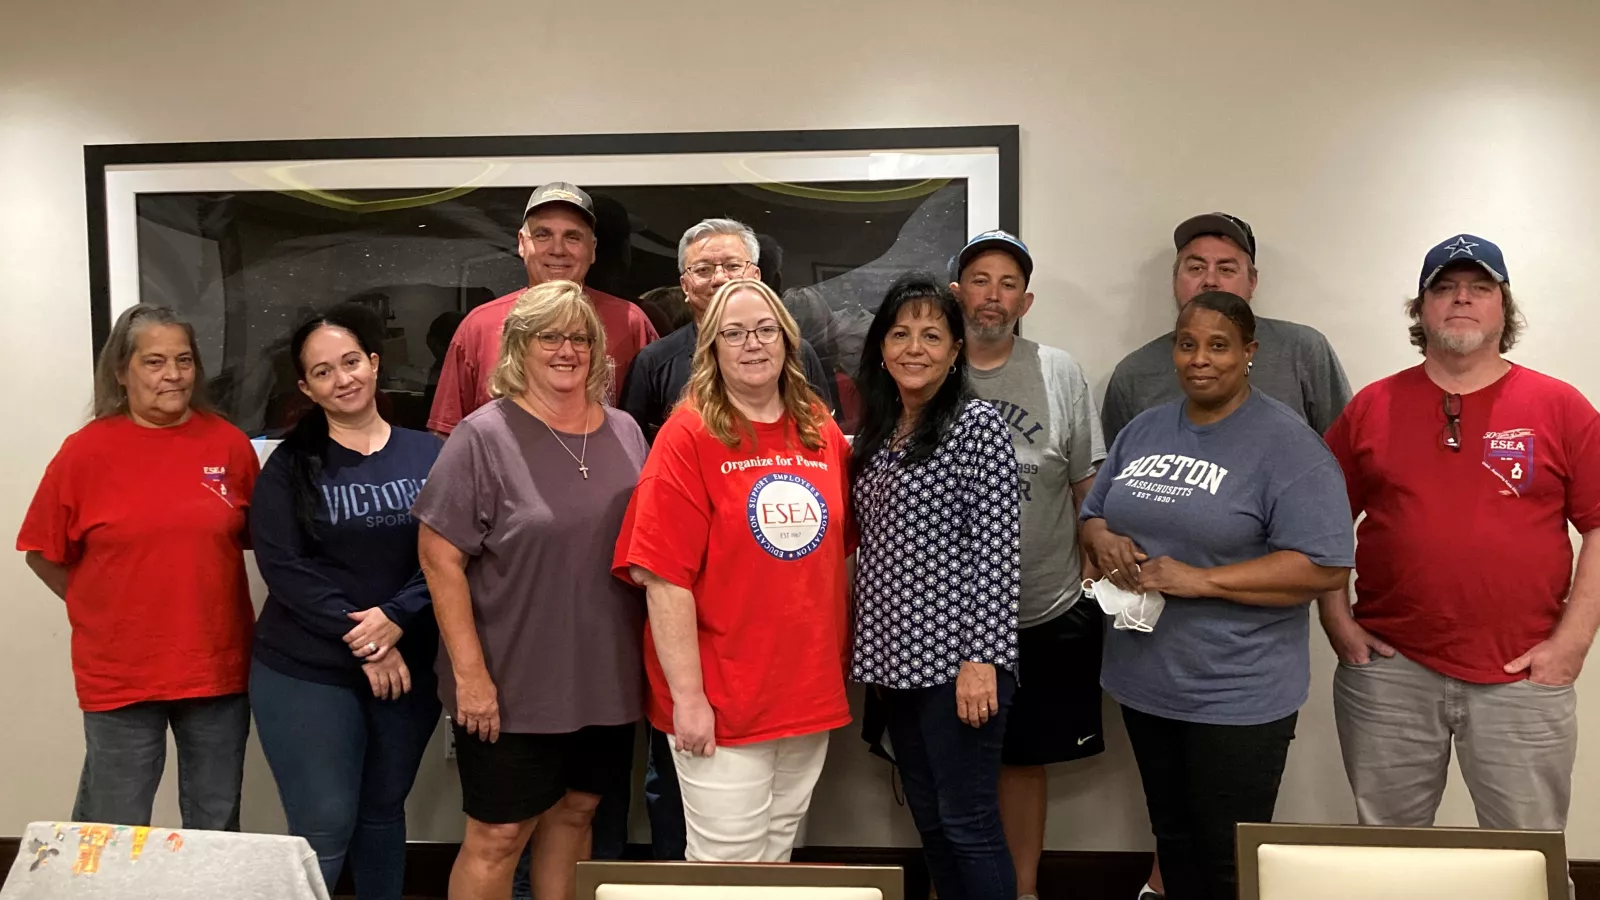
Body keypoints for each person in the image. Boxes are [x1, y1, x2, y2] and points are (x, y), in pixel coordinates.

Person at [1099, 213, 1351, 900]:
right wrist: (1101, 537)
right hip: (1148, 679)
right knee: (1174, 844)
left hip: (1235, 691)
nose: (1200, 359)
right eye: (1187, 344)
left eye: (1218, 346)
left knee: (1225, 861)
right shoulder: (1147, 423)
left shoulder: (1287, 442)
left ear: (1249, 352)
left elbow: (1325, 565)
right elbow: (1095, 509)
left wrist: (1201, 581)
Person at [1321, 235, 1600, 842]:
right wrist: (1337, 621)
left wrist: (1572, 644)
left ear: (1505, 307)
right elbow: (1319, 525)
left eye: (1480, 287)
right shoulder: (1372, 406)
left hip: (1523, 674)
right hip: (1390, 672)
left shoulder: (1560, 406)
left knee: (1528, 854)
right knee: (1385, 853)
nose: (1461, 299)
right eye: (1443, 288)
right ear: (1421, 312)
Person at [413, 281, 649, 900]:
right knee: (498, 835)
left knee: (576, 814)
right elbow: (438, 559)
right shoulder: (482, 436)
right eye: (551, 336)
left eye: (581, 338)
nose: (567, 350)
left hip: (605, 675)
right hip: (511, 679)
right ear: (519, 346)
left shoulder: (627, 433)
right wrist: (470, 676)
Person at [613, 278, 852, 863]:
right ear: (711, 349)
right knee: (726, 865)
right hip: (719, 696)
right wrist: (689, 700)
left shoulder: (819, 429)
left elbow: (839, 554)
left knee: (777, 854)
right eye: (734, 333)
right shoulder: (688, 435)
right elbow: (664, 580)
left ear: (788, 342)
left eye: (766, 330)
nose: (753, 344)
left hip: (803, 689)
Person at [18, 304, 257, 830]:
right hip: (121, 672)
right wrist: (99, 606)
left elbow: (245, 541)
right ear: (121, 372)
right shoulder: (84, 453)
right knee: (114, 825)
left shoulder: (229, 445)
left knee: (216, 822)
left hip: (215, 666)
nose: (173, 375)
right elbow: (41, 551)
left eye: (184, 360)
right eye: (154, 362)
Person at [248, 309, 443, 899]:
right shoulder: (288, 467)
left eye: (352, 362)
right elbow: (284, 567)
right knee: (325, 825)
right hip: (307, 669)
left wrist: (394, 618)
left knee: (383, 813)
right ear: (307, 388)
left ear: (375, 364)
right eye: (324, 372)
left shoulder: (430, 454)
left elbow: (450, 554)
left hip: (408, 667)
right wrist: (364, 637)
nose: (344, 379)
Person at [850, 273, 1020, 900]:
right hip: (896, 665)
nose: (913, 347)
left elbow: (997, 552)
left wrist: (982, 660)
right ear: (881, 347)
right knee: (930, 819)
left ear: (955, 352)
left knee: (968, 822)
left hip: (960, 668)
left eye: (931, 335)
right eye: (900, 333)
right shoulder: (878, 431)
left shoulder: (977, 426)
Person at [949, 232, 1106, 900]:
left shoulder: (1057, 370)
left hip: (1042, 604)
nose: (993, 295)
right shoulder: (929, 363)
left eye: (1008, 283)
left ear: (1026, 299)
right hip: (945, 614)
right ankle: (954, 885)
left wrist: (1096, 559)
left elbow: (1082, 483)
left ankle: (1023, 889)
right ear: (957, 294)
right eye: (980, 280)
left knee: (1022, 760)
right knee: (949, 762)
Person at [427, 181, 658, 436]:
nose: (557, 249)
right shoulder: (479, 326)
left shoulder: (630, 322)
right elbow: (446, 433)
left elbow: (658, 430)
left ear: (592, 249)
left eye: (572, 237)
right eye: (543, 235)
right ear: (521, 243)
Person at [1101, 212, 1351, 444]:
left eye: (1226, 269)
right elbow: (1115, 479)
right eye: (1196, 268)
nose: (1210, 281)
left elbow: (1345, 455)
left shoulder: (1303, 350)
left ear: (1252, 282)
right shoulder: (1133, 374)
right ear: (1175, 280)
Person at [620, 218, 837, 444]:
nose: (720, 279)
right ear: (685, 286)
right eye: (703, 269)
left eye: (732, 266)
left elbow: (823, 439)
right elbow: (636, 452)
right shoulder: (654, 363)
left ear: (756, 276)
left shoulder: (796, 353)